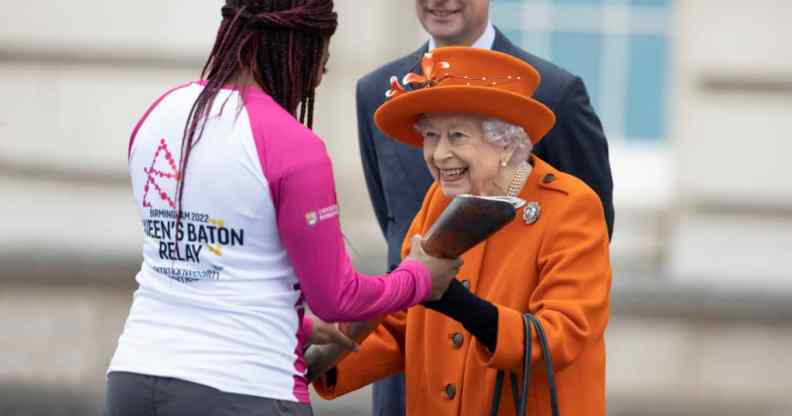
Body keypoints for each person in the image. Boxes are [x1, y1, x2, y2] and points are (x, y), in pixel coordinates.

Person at [104, 1, 461, 415]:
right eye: (319, 68)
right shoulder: (293, 146)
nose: (312, 85)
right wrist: (419, 278)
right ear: (299, 50)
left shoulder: (160, 113)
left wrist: (301, 324)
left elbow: (202, 273)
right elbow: (338, 298)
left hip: (133, 378)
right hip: (245, 388)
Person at [312, 47, 612, 416]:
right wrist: (323, 355)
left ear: (504, 141)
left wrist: (463, 307)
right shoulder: (437, 201)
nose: (438, 155)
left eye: (456, 136)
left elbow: (563, 336)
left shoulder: (569, 207)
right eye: (431, 136)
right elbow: (403, 326)